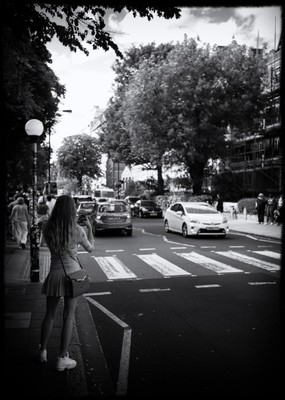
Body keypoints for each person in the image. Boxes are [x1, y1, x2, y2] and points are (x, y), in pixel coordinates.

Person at [37, 195, 94, 371]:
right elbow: (90, 248)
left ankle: (42, 351)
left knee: (49, 315)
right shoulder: (77, 230)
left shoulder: (48, 228)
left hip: (55, 274)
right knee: (68, 316)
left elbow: (42, 244)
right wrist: (90, 228)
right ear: (71, 209)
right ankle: (62, 358)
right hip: (73, 275)